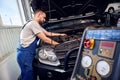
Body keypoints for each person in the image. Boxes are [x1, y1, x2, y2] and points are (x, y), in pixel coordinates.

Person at [16, 9, 67, 80]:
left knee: (30, 73)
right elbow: (45, 39)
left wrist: (60, 34)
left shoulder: (36, 25)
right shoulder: (32, 24)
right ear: (38, 15)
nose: (44, 20)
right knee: (28, 75)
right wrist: (61, 45)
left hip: (27, 53)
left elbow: (48, 33)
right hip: (24, 54)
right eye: (44, 17)